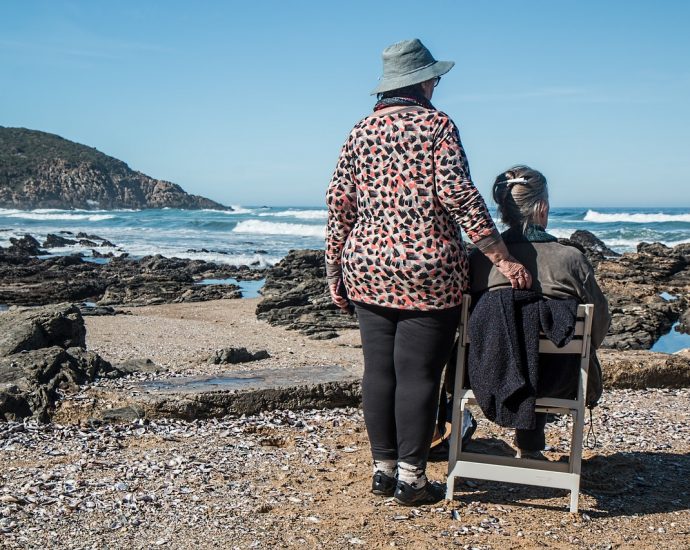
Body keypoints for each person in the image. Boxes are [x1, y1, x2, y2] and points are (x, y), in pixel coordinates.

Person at [325, 38, 532, 505]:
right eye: (434, 77)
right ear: (421, 81)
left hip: (368, 264)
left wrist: (333, 269)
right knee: (418, 373)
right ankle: (411, 479)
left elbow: (340, 203)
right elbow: (459, 194)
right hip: (429, 269)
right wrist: (501, 255)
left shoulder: (360, 131)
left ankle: (382, 470)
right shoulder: (437, 125)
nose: (436, 83)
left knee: (378, 371)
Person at [469, 165, 610, 457]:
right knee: (544, 347)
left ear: (504, 210)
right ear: (542, 207)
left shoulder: (479, 260)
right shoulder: (571, 259)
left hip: (484, 376)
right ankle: (530, 448)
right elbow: (599, 324)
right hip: (559, 380)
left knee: (515, 338)